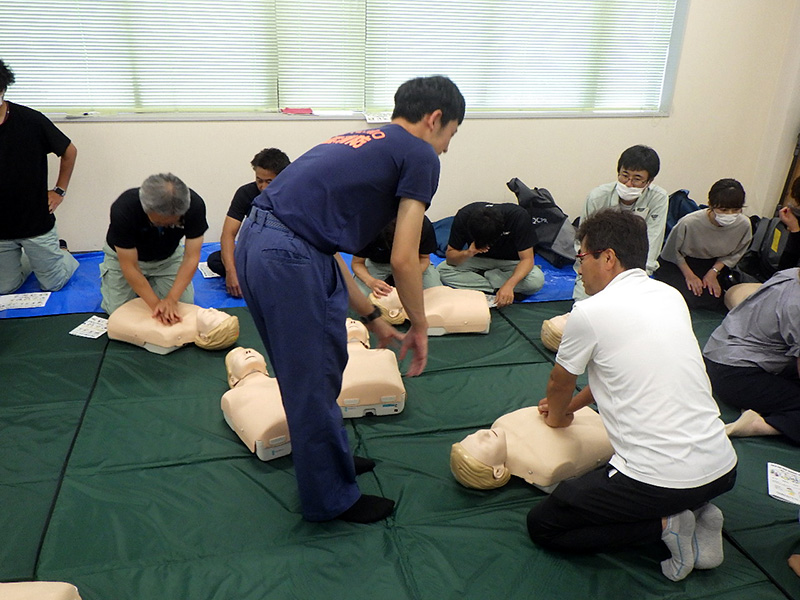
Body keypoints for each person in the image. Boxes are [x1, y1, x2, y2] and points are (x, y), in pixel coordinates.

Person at [235, 75, 465, 523]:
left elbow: (321, 245)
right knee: (313, 380)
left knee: (313, 370)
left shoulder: (360, 138)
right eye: (450, 135)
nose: (446, 149)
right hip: (289, 255)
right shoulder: (419, 152)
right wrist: (418, 324)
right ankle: (330, 499)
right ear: (435, 119)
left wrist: (375, 316)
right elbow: (403, 258)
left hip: (262, 243)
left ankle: (328, 463)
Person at [527, 208, 737, 582]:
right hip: (723, 468)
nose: (578, 269)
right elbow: (617, 372)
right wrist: (574, 408)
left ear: (607, 258)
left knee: (545, 524)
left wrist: (558, 417)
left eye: (581, 258)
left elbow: (559, 382)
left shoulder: (590, 311)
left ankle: (666, 523)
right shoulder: (668, 295)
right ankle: (696, 508)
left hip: (660, 481)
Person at [0, 58, 79, 294]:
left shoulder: (30, 120)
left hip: (35, 222)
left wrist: (59, 191)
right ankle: (30, 262)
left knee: (53, 284)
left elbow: (69, 151)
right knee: (5, 288)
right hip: (2, 229)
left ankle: (61, 252)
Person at [703, 268, 800, 444]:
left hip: (719, 354)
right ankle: (759, 425)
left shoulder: (791, 274)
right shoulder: (796, 304)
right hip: (736, 372)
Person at [100, 173, 208, 324]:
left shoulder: (195, 206)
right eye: (158, 222)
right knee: (119, 315)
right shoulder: (124, 208)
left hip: (167, 260)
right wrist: (156, 305)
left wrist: (171, 299)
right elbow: (129, 266)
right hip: (125, 259)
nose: (165, 226)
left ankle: (153, 285)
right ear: (146, 209)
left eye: (172, 223)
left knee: (184, 308)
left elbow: (191, 257)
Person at [572, 145, 668, 300]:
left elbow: (653, 240)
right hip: (598, 266)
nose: (629, 184)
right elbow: (583, 243)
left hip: (633, 269)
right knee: (583, 307)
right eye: (624, 176)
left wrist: (638, 275)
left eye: (637, 179)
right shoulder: (597, 197)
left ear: (649, 181)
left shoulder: (658, 198)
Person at [450, 405, 612, 492]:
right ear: (497, 471)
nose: (482, 433)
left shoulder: (502, 423)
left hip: (588, 408)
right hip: (612, 431)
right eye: (482, 444)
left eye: (473, 435)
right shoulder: (544, 466)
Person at [656, 178, 752, 311]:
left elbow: (735, 254)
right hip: (681, 263)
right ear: (710, 205)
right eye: (723, 210)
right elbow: (672, 252)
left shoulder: (744, 225)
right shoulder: (689, 222)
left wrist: (713, 272)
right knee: (684, 298)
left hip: (713, 264)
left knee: (713, 299)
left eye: (736, 210)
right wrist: (689, 275)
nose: (730, 214)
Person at [206, 148, 291, 297]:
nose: (263, 187)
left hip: (284, 253)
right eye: (259, 180)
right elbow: (228, 233)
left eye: (269, 182)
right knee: (215, 260)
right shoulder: (245, 193)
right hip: (255, 253)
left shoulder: (296, 194)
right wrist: (231, 273)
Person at [437, 202, 543, 307]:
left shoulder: (518, 216)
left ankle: (486, 279)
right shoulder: (464, 216)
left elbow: (527, 260)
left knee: (536, 280)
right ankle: (496, 284)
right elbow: (450, 258)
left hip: (511, 262)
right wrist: (468, 253)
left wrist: (509, 285)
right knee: (442, 270)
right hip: (477, 260)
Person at [107, 297, 239, 354]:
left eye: (212, 318)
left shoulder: (173, 334)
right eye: (218, 311)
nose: (211, 309)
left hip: (123, 316)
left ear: (204, 336)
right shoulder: (197, 313)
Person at [351, 216, 441, 297]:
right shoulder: (367, 228)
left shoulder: (422, 224)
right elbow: (357, 263)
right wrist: (371, 282)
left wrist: (411, 275)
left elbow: (424, 259)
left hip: (412, 263)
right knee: (358, 299)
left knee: (437, 295)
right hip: (378, 265)